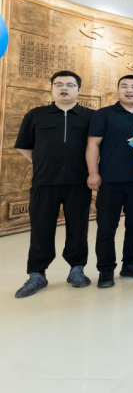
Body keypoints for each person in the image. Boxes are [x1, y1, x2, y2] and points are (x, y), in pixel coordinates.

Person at [13, 71, 95, 298]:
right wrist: (42, 162)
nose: (64, 88)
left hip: (78, 182)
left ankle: (76, 270)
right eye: (59, 84)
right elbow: (24, 146)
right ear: (52, 88)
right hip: (44, 181)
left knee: (78, 227)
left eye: (70, 85)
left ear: (78, 89)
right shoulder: (36, 115)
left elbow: (98, 146)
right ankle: (37, 274)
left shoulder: (90, 117)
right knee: (41, 228)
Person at [87, 75, 133, 288]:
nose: (129, 90)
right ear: (118, 90)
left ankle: (130, 265)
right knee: (106, 227)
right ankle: (106, 270)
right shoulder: (104, 114)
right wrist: (93, 173)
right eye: (124, 86)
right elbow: (93, 144)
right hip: (110, 180)